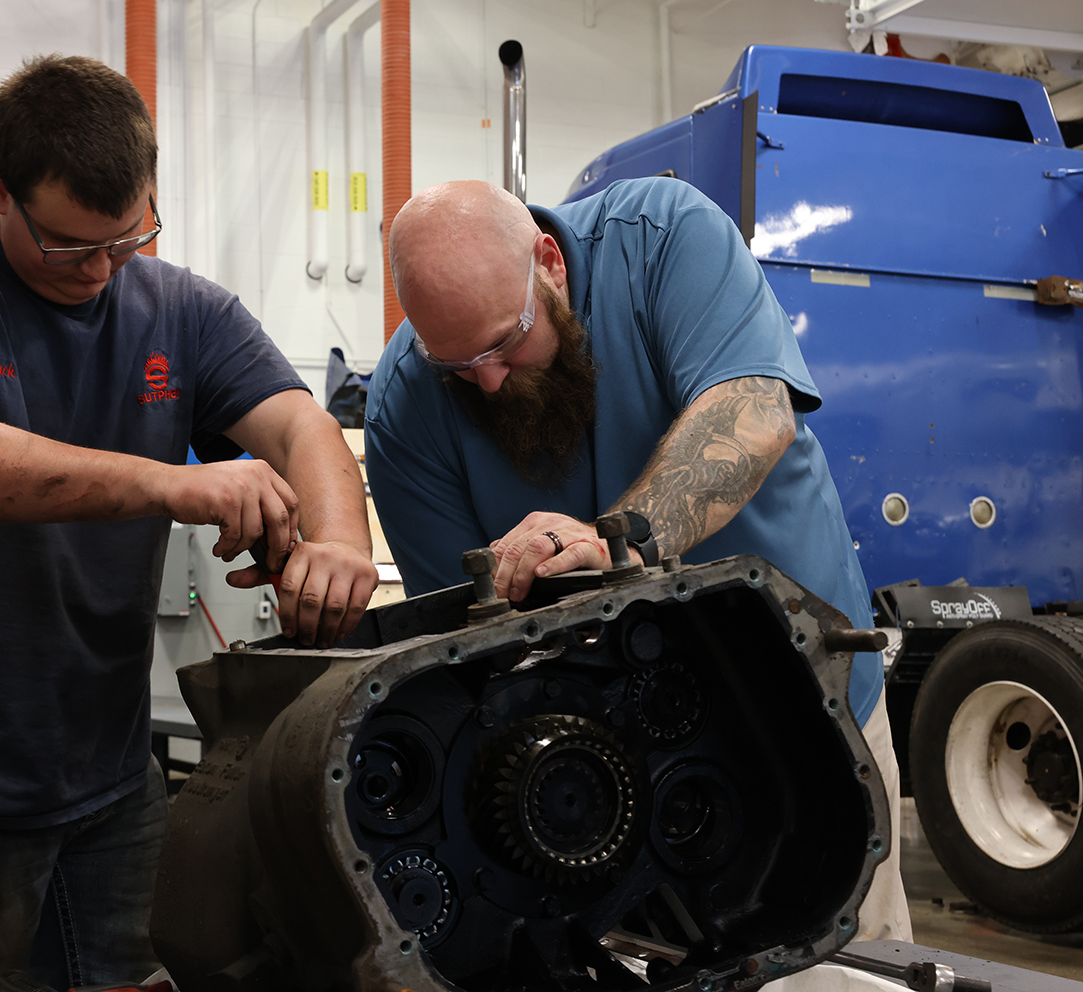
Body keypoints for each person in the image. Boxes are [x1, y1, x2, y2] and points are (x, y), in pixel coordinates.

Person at [0, 55, 379, 992]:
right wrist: (170, 484)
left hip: (104, 761)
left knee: (149, 974)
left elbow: (298, 422)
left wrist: (339, 545)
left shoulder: (182, 309)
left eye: (130, 237)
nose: (104, 269)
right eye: (69, 247)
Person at [363, 178, 911, 944]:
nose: (485, 378)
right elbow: (468, 645)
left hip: (809, 713)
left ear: (548, 263)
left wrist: (615, 543)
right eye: (457, 364)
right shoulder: (403, 405)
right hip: (610, 779)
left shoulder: (664, 237)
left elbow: (753, 410)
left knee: (839, 963)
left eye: (503, 343)